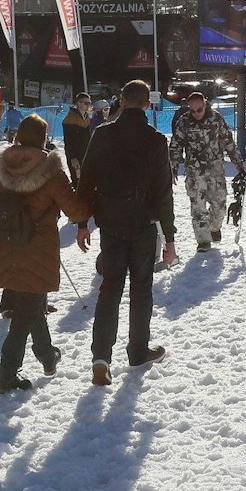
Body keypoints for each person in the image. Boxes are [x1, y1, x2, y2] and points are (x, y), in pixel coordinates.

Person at [0, 116, 91, 394]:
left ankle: (46, 355)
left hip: (7, 249)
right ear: (43, 138)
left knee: (31, 304)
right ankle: (6, 375)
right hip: (39, 251)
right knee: (24, 315)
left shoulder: (1, 171)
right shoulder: (51, 171)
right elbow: (77, 212)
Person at [76, 80, 177, 386]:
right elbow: (163, 193)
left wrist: (83, 223)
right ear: (148, 105)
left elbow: (87, 179)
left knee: (110, 288)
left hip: (110, 224)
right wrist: (170, 239)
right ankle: (137, 351)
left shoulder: (103, 134)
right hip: (143, 225)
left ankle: (101, 358)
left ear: (121, 100)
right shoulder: (156, 140)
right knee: (141, 289)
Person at [170, 91, 237, 252]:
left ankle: (214, 228)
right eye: (192, 111)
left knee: (219, 206)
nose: (196, 114)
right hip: (194, 171)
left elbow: (227, 140)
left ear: (205, 105)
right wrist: (172, 167)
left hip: (216, 170)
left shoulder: (216, 119)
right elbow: (176, 145)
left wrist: (238, 162)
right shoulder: (184, 122)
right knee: (198, 207)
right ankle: (203, 240)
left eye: (199, 110)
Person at [61, 95, 93, 183]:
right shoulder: (70, 118)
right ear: (78, 103)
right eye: (86, 103)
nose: (88, 105)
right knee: (77, 181)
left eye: (89, 103)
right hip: (75, 156)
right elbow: (68, 140)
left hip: (85, 155)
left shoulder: (87, 117)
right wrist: (72, 157)